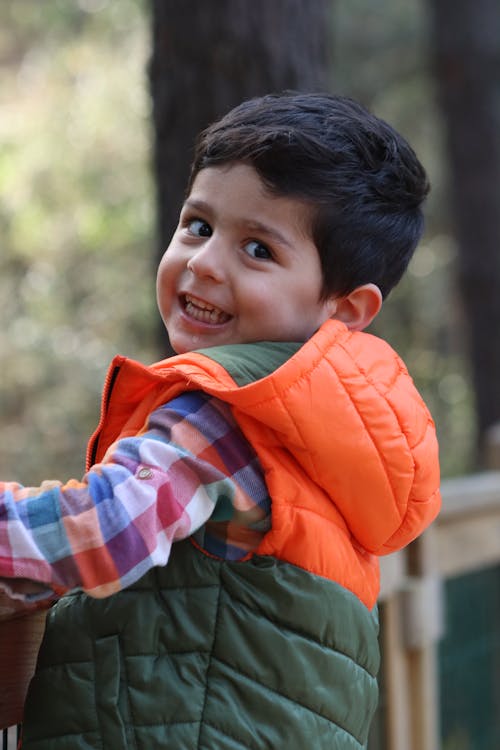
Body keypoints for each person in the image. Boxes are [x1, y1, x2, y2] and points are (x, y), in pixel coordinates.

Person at [0, 91, 440, 749]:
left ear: (345, 309)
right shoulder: (326, 438)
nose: (204, 263)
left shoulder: (226, 415)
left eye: (257, 249)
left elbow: (103, 529)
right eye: (198, 226)